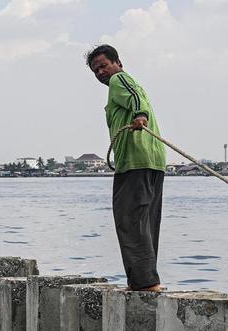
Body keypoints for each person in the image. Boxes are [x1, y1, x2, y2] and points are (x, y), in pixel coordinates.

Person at [86, 44, 166, 292]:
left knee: (130, 219)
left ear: (117, 62)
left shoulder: (119, 80)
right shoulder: (123, 82)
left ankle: (145, 282)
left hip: (135, 161)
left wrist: (140, 114)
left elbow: (135, 99)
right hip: (150, 161)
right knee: (144, 222)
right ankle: (143, 279)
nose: (100, 72)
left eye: (103, 65)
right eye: (95, 70)